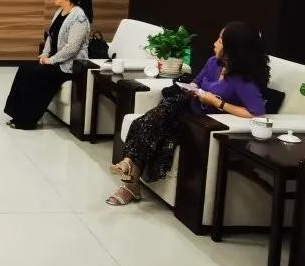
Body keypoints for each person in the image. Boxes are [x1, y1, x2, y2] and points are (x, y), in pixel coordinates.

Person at [106, 22, 268, 206]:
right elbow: (195, 83)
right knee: (148, 121)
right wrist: (191, 89)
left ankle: (129, 174)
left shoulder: (243, 80)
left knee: (153, 123)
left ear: (233, 48)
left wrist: (218, 103)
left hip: (202, 123)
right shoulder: (213, 62)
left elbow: (256, 114)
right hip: (187, 108)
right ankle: (129, 171)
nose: (215, 43)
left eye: (220, 40)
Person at [4, 0, 93, 129]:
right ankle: (16, 114)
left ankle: (26, 121)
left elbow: (72, 48)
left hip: (69, 66)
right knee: (25, 68)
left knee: (36, 75)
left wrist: (51, 60)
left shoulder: (79, 18)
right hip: (56, 61)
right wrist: (45, 54)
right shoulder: (60, 12)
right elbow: (50, 37)